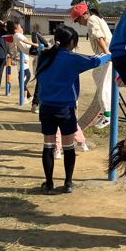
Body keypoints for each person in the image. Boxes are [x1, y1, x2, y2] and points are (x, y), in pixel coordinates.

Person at [35, 26, 111, 194]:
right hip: (65, 108)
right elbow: (95, 60)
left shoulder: (44, 56)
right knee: (68, 146)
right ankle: (68, 183)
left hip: (46, 107)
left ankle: (48, 183)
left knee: (48, 145)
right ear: (71, 42)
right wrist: (109, 54)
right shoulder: (71, 58)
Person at [71, 2, 113, 129]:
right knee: (96, 74)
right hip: (103, 55)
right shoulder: (95, 18)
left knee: (103, 87)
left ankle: (107, 115)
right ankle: (104, 110)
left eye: (78, 20)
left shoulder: (91, 20)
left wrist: (107, 54)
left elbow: (99, 38)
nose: (79, 23)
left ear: (83, 15)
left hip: (106, 55)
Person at [7, 20, 35, 102]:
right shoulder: (19, 47)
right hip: (20, 70)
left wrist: (17, 58)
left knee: (23, 84)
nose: (22, 28)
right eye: (20, 27)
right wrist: (14, 58)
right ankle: (29, 97)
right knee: (22, 85)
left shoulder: (24, 50)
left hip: (25, 71)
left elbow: (25, 61)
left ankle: (25, 98)